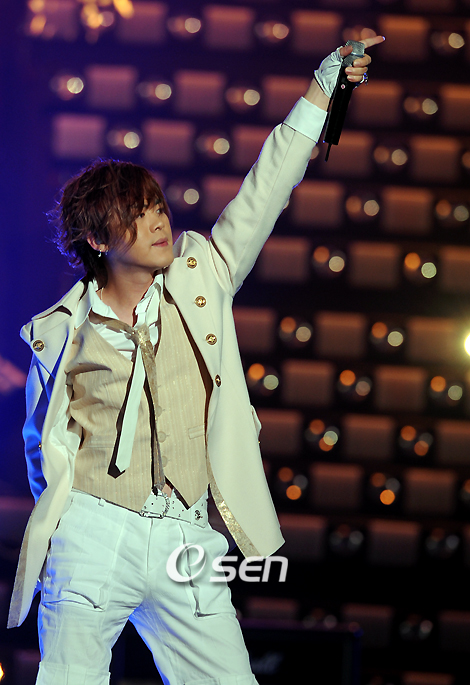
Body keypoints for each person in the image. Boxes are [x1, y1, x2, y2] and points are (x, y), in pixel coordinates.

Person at [8, 36, 384, 685]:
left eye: (156, 206)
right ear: (96, 238)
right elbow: (42, 447)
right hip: (94, 530)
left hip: (187, 535)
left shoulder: (202, 273)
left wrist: (323, 88)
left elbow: (267, 188)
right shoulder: (60, 333)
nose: (159, 221)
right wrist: (69, 531)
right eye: (136, 215)